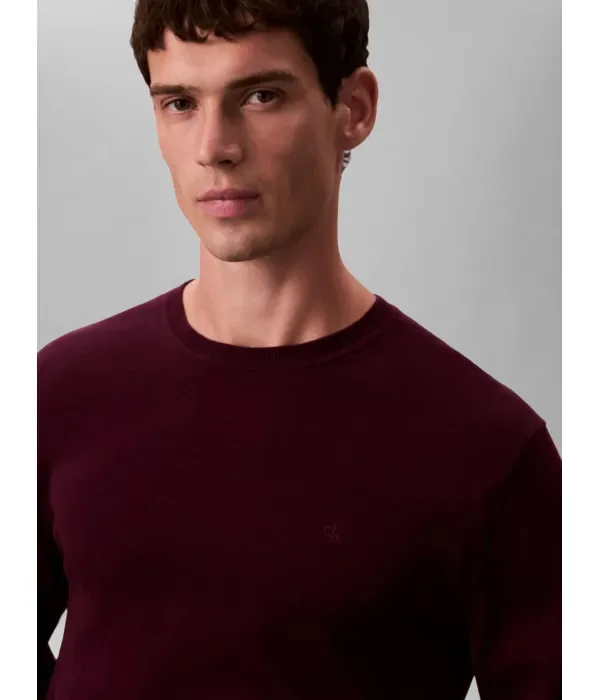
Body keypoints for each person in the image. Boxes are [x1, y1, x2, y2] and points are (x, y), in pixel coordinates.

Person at [37, 1, 562, 698]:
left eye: (260, 96)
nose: (214, 147)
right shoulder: (56, 396)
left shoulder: (490, 449)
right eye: (180, 103)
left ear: (354, 109)